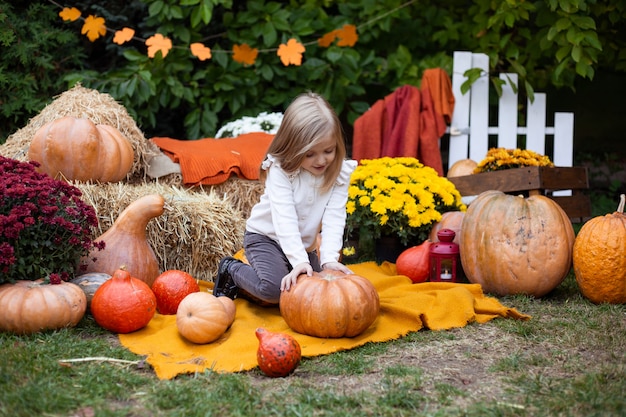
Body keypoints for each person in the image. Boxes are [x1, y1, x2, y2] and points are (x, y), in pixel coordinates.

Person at [213, 92, 357, 305]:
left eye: (328, 151)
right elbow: (284, 218)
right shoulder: (281, 170)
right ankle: (231, 269)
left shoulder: (338, 173)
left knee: (318, 294)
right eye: (310, 154)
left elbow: (334, 217)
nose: (321, 160)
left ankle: (285, 267)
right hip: (266, 238)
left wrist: (328, 260)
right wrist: (299, 262)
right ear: (294, 148)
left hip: (304, 245)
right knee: (274, 290)